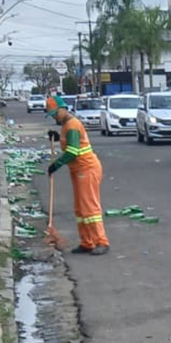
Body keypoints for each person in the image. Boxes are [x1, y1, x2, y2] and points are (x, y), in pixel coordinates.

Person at [46, 93, 110, 256]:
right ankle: (87, 242)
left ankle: (101, 242)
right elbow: (69, 142)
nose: (55, 118)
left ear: (62, 109)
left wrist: (56, 165)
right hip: (78, 170)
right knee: (80, 208)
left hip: (86, 169)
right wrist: (57, 136)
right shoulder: (66, 125)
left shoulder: (72, 125)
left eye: (55, 114)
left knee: (90, 207)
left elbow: (73, 151)